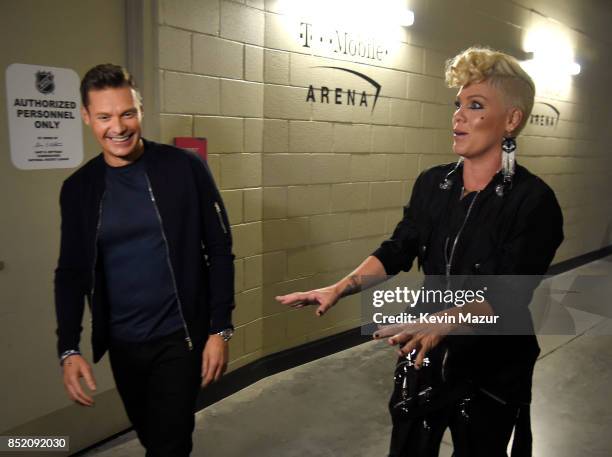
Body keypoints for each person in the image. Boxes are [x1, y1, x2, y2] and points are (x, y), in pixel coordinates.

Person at [276, 47, 563, 456]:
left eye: (475, 105)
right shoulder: (432, 184)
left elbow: (509, 293)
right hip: (424, 351)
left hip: (493, 363)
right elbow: (398, 249)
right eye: (458, 104)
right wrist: (341, 287)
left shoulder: (534, 202)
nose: (458, 116)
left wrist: (443, 321)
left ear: (511, 121)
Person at [54, 64, 235, 457]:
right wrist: (68, 347)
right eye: (104, 116)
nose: (117, 127)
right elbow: (70, 274)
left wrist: (220, 329)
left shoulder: (185, 168)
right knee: (152, 436)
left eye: (127, 113)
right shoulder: (78, 190)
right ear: (86, 117)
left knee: (169, 444)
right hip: (122, 344)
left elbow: (220, 250)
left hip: (179, 337)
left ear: (140, 110)